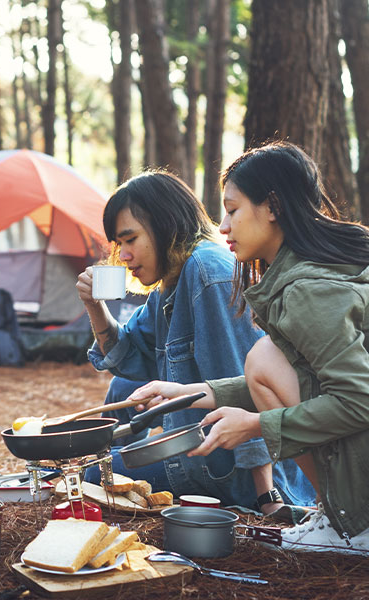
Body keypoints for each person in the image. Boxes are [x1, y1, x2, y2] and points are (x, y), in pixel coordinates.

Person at [134, 141, 369, 556]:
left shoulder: (308, 289)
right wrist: (192, 395)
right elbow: (306, 377)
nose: (222, 226)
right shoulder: (339, 261)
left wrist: (255, 425)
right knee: (267, 360)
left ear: (273, 206)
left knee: (262, 357)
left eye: (232, 209)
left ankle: (344, 526)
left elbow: (358, 404)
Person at [77, 171, 314, 520]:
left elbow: (246, 383)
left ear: (164, 225)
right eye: (118, 245)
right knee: (123, 388)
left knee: (93, 478)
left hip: (227, 466)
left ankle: (105, 473)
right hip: (200, 443)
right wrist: (95, 306)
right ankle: (110, 467)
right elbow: (126, 357)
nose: (124, 256)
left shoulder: (207, 273)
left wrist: (266, 496)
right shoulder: (171, 283)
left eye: (131, 240)